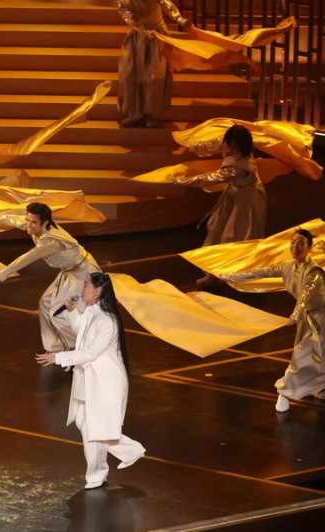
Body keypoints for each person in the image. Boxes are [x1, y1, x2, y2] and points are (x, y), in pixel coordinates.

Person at [36, 272, 145, 489]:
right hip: (91, 379)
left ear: (98, 291)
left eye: (86, 285)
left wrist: (57, 357)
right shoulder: (93, 310)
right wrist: (71, 312)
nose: (81, 288)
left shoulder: (107, 320)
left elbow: (90, 352)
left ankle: (97, 474)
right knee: (85, 423)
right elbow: (81, 331)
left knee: (93, 427)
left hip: (106, 382)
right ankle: (130, 450)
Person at [220, 229, 325, 412]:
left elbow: (305, 294)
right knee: (312, 356)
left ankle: (291, 391)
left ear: (309, 247)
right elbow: (260, 272)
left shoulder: (314, 272)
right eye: (293, 242)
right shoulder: (286, 267)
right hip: (307, 318)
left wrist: (296, 314)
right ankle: (304, 389)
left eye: (301, 243)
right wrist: (228, 276)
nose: (296, 246)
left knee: (304, 355)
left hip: (321, 319)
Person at [0, 202, 100, 352]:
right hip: (69, 272)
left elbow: (27, 258)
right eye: (27, 220)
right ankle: (55, 347)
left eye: (33, 222)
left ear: (44, 223)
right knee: (45, 303)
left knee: (60, 314)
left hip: (84, 274)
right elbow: (12, 220)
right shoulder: (38, 226)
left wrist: (3, 273)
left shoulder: (51, 241)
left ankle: (83, 347)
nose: (28, 225)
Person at [175, 124, 266, 285]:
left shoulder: (239, 166)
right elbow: (215, 143)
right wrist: (191, 145)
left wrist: (184, 181)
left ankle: (231, 275)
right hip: (236, 194)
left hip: (247, 202)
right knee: (216, 228)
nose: (226, 147)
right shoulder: (238, 150)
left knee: (233, 238)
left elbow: (211, 178)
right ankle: (215, 273)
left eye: (229, 145)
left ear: (236, 146)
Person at [116, 0, 189, 128]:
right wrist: (145, 32)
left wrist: (181, 20)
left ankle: (152, 115)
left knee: (156, 76)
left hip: (158, 36)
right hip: (137, 37)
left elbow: (166, 5)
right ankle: (134, 113)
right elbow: (130, 19)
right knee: (129, 75)